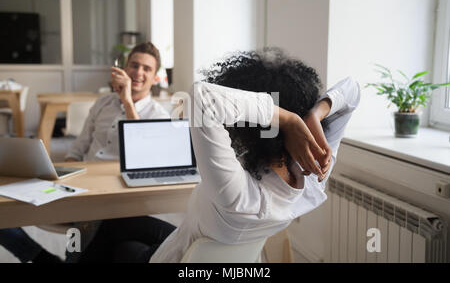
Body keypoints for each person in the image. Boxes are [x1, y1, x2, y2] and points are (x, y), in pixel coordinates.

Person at [81, 47, 360, 263]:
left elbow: (202, 98)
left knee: (118, 242)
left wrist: (288, 120)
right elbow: (353, 91)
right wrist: (313, 114)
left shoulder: (238, 194)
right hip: (201, 244)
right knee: (128, 228)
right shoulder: (313, 178)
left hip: (176, 258)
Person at [0, 42, 170, 263]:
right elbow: (78, 148)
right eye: (134, 65)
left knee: (91, 224)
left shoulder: (159, 115)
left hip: (119, 195)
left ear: (155, 77)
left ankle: (57, 259)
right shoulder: (102, 103)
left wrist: (128, 102)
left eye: (146, 68)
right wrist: (65, 174)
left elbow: (141, 157)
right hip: (80, 185)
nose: (138, 72)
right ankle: (44, 256)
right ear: (124, 68)